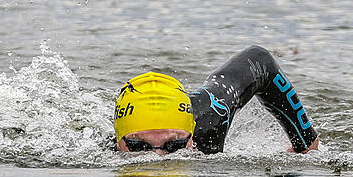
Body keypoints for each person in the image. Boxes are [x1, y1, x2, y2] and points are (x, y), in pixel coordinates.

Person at [113, 47, 320, 155]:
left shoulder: (212, 118)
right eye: (139, 147)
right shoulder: (90, 155)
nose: (157, 158)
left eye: (173, 146)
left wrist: (304, 142)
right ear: (118, 143)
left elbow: (260, 60)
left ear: (192, 136)